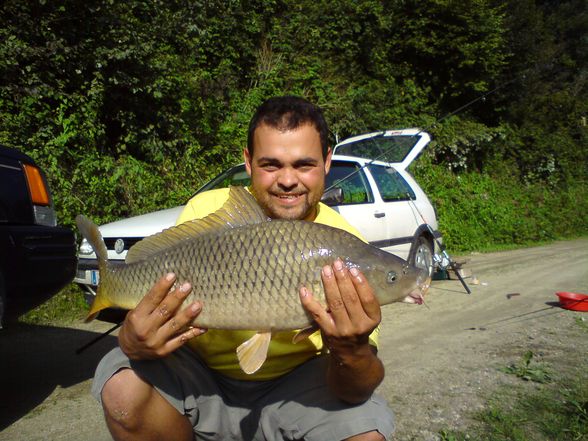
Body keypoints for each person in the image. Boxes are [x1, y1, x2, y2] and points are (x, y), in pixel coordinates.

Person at [91, 96, 395, 441]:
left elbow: (356, 390)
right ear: (248, 162)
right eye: (271, 165)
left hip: (296, 386)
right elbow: (146, 315)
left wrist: (352, 349)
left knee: (366, 435)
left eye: (303, 164)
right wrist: (133, 340)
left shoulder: (346, 245)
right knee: (122, 389)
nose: (287, 180)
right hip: (202, 377)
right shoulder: (208, 210)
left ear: (327, 161)